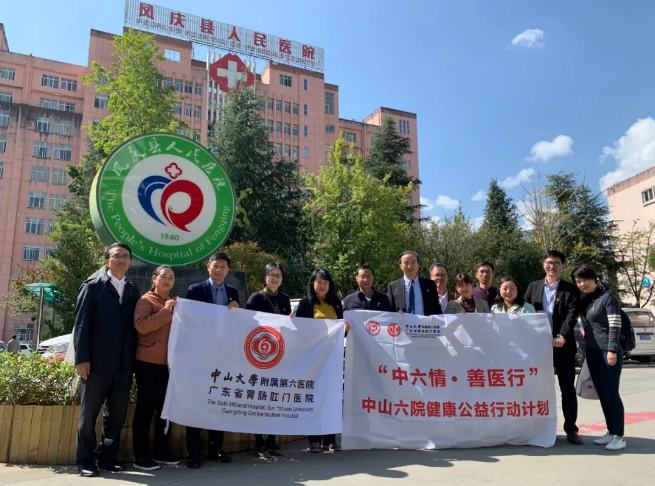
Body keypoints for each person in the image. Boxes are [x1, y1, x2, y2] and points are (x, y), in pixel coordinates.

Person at [73, 243, 141, 477]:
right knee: (89, 414)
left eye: (125, 256)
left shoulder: (133, 290)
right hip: (96, 363)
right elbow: (81, 325)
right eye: (116, 256)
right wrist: (82, 359)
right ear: (107, 261)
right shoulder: (92, 287)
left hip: (123, 364)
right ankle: (85, 460)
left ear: (129, 262)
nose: (121, 260)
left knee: (117, 415)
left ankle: (107, 457)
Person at [185, 252, 240, 469]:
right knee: (196, 402)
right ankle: (194, 452)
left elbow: (239, 324)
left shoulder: (233, 293)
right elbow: (189, 320)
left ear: (228, 270)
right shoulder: (195, 290)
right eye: (215, 266)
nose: (219, 270)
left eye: (223, 266)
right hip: (200, 355)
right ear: (208, 267)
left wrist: (238, 313)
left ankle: (216, 448)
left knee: (219, 402)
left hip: (223, 356)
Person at [524, 250, 582, 445]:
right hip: (538, 348)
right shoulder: (533, 287)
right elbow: (525, 312)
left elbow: (571, 316)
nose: (552, 266)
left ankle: (571, 429)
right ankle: (536, 429)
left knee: (567, 389)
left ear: (562, 266)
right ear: (543, 264)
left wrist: (561, 336)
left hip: (562, 346)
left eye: (556, 263)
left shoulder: (570, 289)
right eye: (549, 262)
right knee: (536, 389)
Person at [572, 264, 626, 451]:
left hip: (607, 352)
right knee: (602, 393)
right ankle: (611, 431)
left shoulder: (608, 298)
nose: (582, 284)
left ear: (594, 278)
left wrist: (612, 350)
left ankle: (619, 436)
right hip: (593, 351)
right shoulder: (587, 300)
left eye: (585, 279)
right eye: (578, 281)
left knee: (611, 392)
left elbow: (615, 325)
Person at [132, 266, 180, 471]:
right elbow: (142, 326)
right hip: (148, 363)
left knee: (165, 410)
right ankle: (140, 456)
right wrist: (166, 311)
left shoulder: (176, 303)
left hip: (169, 366)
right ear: (154, 278)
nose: (167, 281)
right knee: (145, 409)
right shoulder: (146, 301)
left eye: (171, 278)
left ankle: (161, 450)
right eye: (163, 277)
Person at [245, 262, 291, 458]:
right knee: (259, 399)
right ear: (265, 277)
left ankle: (272, 440)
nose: (274, 278)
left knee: (275, 399)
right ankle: (259, 442)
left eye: (278, 275)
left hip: (279, 355)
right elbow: (245, 322)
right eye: (271, 275)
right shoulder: (256, 298)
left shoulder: (285, 299)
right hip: (259, 355)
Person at [295, 268, 344, 453]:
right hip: (312, 359)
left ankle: (330, 439)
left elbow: (340, 330)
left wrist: (345, 329)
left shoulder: (336, 304)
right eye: (318, 282)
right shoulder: (305, 304)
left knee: (331, 398)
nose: (322, 285)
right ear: (312, 284)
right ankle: (314, 439)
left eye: (325, 282)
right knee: (313, 397)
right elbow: (299, 331)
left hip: (332, 357)